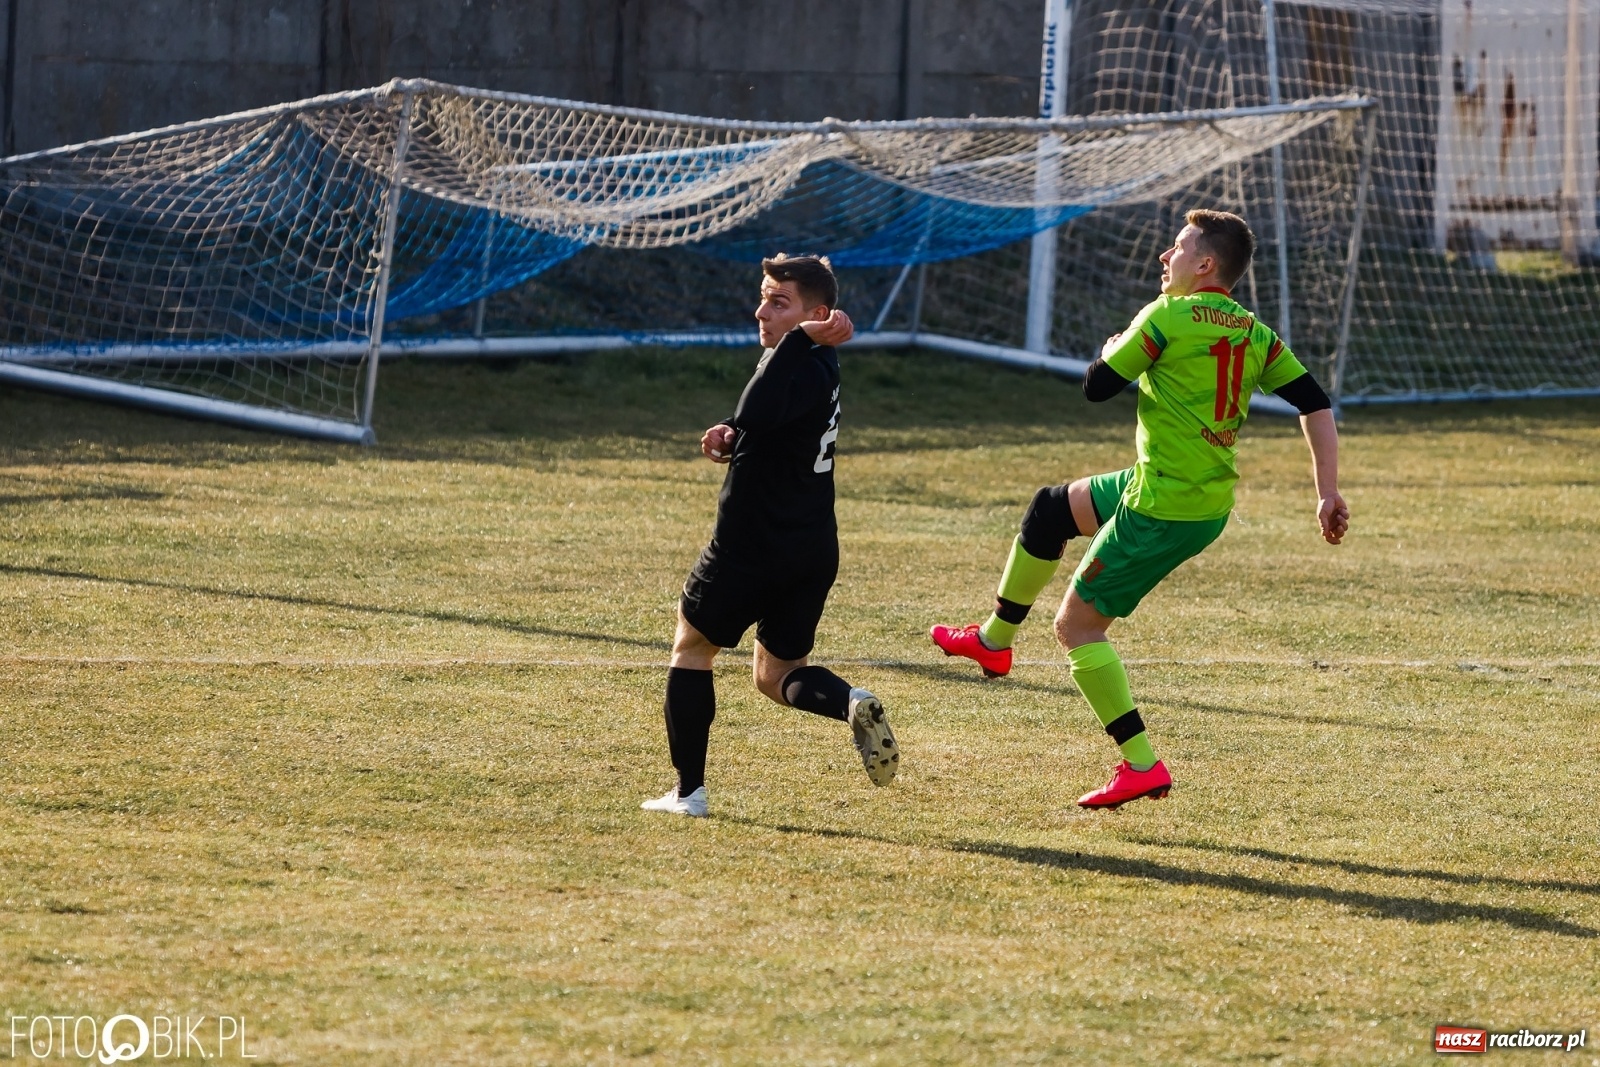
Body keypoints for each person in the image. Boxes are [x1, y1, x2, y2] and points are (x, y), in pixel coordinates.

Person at [930, 209, 1348, 809]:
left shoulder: (1167, 316)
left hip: (1161, 508)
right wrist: (1327, 490)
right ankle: (994, 640)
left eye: (1176, 247)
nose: (1163, 257)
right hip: (1187, 494)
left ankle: (1142, 765)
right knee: (1050, 510)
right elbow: (1314, 400)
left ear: (1205, 264)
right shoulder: (1254, 332)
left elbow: (1097, 386)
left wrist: (1113, 348)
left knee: (1076, 627)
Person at [641, 253, 899, 818]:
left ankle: (689, 795)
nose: (762, 310)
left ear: (817, 314)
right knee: (776, 674)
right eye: (763, 296)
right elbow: (766, 422)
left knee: (690, 649)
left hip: (750, 547)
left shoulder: (800, 355)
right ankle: (851, 702)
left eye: (779, 302)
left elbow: (756, 405)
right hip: (810, 548)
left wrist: (794, 342)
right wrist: (733, 435)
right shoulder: (817, 363)